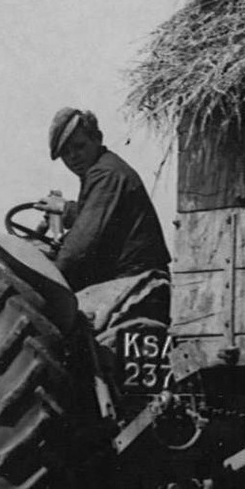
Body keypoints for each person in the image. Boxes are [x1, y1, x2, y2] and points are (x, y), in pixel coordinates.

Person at [47, 107, 171, 349]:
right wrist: (67, 210)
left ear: (98, 138)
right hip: (135, 283)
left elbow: (77, 250)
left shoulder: (105, 174)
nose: (73, 157)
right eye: (66, 152)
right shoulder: (104, 170)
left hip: (134, 285)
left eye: (79, 146)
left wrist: (48, 283)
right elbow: (105, 215)